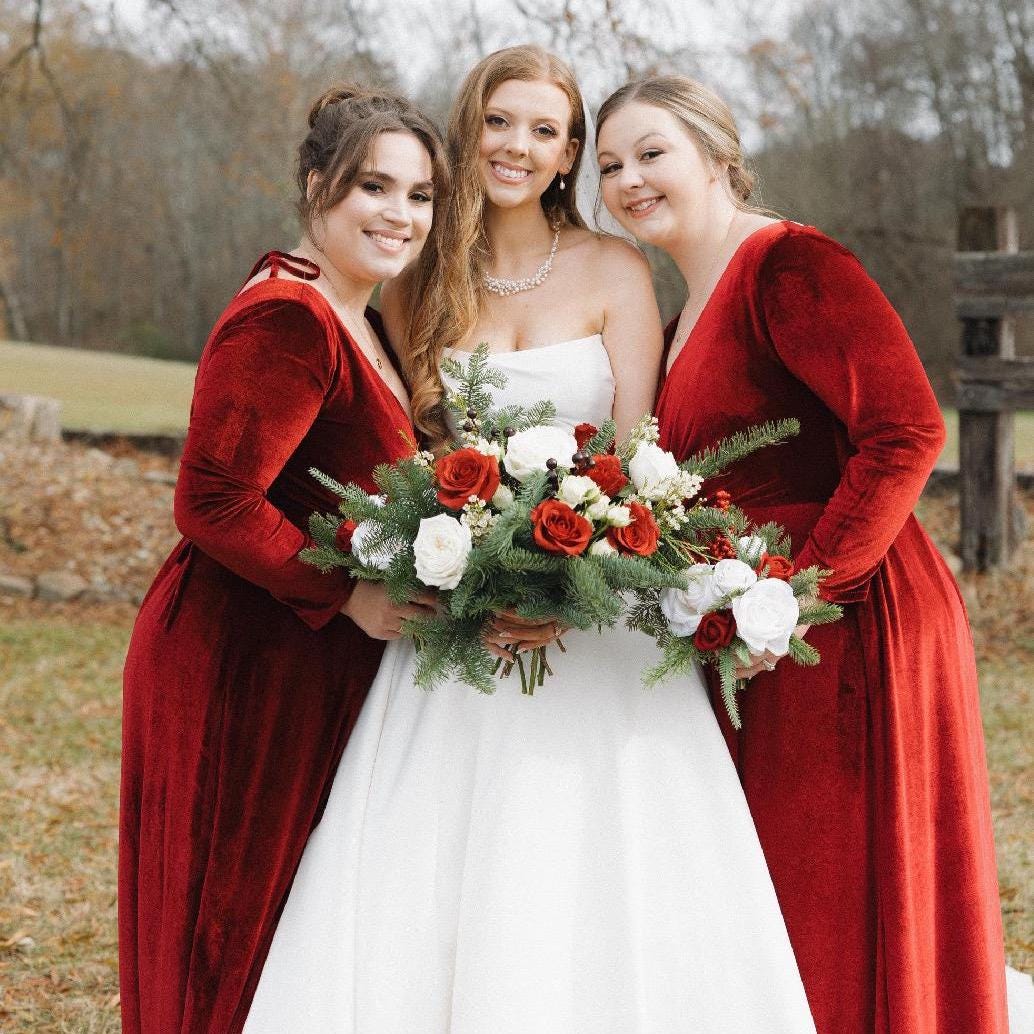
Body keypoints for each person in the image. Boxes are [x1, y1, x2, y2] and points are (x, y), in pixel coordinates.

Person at [244, 45, 816, 1033]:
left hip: (598, 608)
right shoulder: (413, 274)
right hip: (456, 610)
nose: (518, 145)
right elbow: (408, 455)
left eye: (545, 131)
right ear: (468, 130)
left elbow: (642, 455)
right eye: (500, 121)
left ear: (567, 157)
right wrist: (466, 571)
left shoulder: (611, 266)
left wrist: (567, 581)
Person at [595, 74, 1011, 1032]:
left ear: (717, 155)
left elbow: (905, 430)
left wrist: (801, 590)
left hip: (847, 621)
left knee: (836, 886)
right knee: (776, 895)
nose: (628, 179)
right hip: (752, 627)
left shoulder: (790, 266)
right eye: (610, 165)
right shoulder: (680, 313)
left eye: (651, 152)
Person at [119, 84, 450, 1033]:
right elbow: (212, 499)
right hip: (240, 661)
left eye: (419, 195)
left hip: (296, 663)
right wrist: (344, 597)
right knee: (225, 925)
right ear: (317, 187)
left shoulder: (363, 317)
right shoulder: (291, 319)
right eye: (373, 188)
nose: (399, 214)